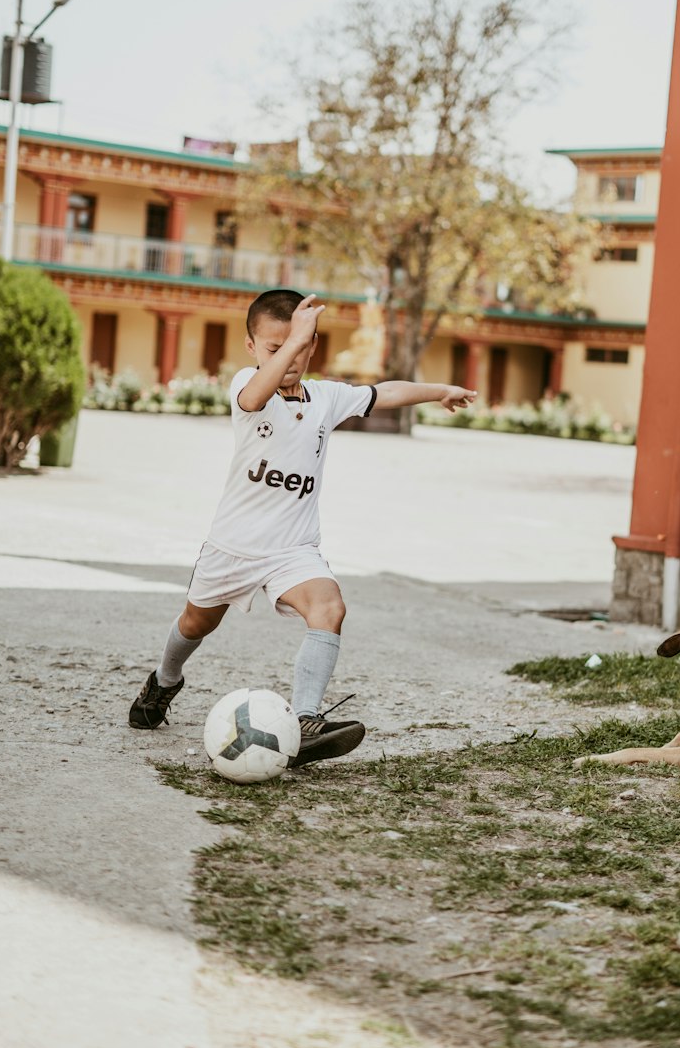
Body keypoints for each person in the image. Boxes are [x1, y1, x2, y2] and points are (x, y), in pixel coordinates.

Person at [129, 288, 476, 766]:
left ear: (312, 347)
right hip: (232, 548)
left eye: (298, 346)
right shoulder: (246, 387)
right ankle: (164, 682)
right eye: (275, 347)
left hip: (292, 550)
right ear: (253, 347)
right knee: (196, 623)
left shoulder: (326, 398)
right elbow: (255, 395)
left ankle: (306, 722)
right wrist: (292, 340)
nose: (288, 356)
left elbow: (386, 391)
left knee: (329, 607)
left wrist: (440, 391)